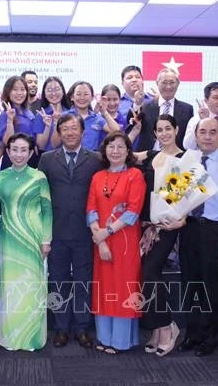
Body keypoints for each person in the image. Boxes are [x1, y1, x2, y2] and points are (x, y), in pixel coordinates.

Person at [179, 117, 218, 357]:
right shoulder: (189, 162)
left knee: (211, 286)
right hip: (189, 228)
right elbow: (177, 197)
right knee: (190, 284)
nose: (207, 136)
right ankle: (192, 334)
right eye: (202, 132)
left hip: (214, 231)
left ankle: (212, 336)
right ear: (196, 135)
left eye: (212, 132)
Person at [38, 113, 103, 348]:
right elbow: (40, 197)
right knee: (58, 282)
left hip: (87, 232)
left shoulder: (96, 159)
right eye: (65, 129)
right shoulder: (46, 159)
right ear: (59, 133)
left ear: (82, 132)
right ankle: (61, 328)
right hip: (56, 231)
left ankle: (82, 328)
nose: (70, 133)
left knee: (84, 282)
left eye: (74, 128)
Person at [87, 131, 146, 354]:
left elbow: (133, 212)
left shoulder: (135, 175)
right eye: (111, 147)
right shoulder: (97, 177)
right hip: (100, 241)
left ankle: (121, 341)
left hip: (125, 241)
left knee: (123, 287)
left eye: (120, 147)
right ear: (105, 151)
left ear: (128, 151)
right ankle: (104, 338)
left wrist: (107, 232)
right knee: (104, 288)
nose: (115, 151)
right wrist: (100, 240)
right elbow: (91, 209)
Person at [134, 115, 185, 357]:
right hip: (145, 226)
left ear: (176, 129)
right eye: (159, 130)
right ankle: (156, 329)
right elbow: (120, 148)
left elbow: (194, 194)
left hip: (168, 227)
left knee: (150, 273)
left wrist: (182, 219)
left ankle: (167, 327)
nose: (164, 133)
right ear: (154, 133)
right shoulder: (151, 157)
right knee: (145, 276)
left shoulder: (187, 159)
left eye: (168, 128)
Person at [0, 133, 52, 351]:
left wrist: (46, 240)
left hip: (34, 238)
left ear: (31, 153)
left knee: (32, 285)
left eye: (23, 150)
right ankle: (11, 336)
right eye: (14, 150)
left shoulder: (39, 177)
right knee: (10, 286)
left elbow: (47, 211)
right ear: (8, 152)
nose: (18, 154)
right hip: (9, 238)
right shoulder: (0, 177)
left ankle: (32, 337)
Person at [135, 68, 193, 152]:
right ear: (157, 83)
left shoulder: (187, 109)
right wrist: (137, 104)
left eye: (172, 82)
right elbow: (131, 123)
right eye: (164, 82)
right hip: (148, 158)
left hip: (176, 159)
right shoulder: (145, 106)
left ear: (178, 84)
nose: (168, 86)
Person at [64, 81, 120, 151]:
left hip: (92, 158)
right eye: (78, 94)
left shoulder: (97, 118)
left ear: (92, 97)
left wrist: (104, 112)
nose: (82, 97)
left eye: (86, 94)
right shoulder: (64, 117)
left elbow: (117, 131)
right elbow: (54, 143)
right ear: (72, 97)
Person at [0, 76, 39, 168]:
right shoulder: (6, 114)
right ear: (8, 92)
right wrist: (10, 120)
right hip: (14, 160)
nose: (19, 93)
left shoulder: (28, 112)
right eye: (15, 89)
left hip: (30, 158)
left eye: (22, 89)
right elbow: (7, 141)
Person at [33, 76, 69, 153]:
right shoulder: (40, 115)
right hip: (48, 158)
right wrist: (47, 126)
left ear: (63, 92)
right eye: (49, 90)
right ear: (44, 94)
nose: (53, 93)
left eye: (57, 89)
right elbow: (41, 146)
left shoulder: (71, 114)